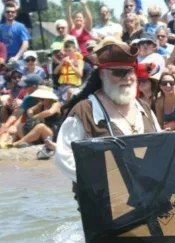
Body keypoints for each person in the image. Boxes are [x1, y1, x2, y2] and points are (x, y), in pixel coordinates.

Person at [55, 40, 161, 185]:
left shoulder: (144, 108)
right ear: (102, 74)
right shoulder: (84, 111)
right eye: (118, 72)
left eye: (130, 71)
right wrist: (104, 182)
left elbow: (161, 147)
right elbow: (64, 157)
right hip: (103, 201)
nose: (127, 78)